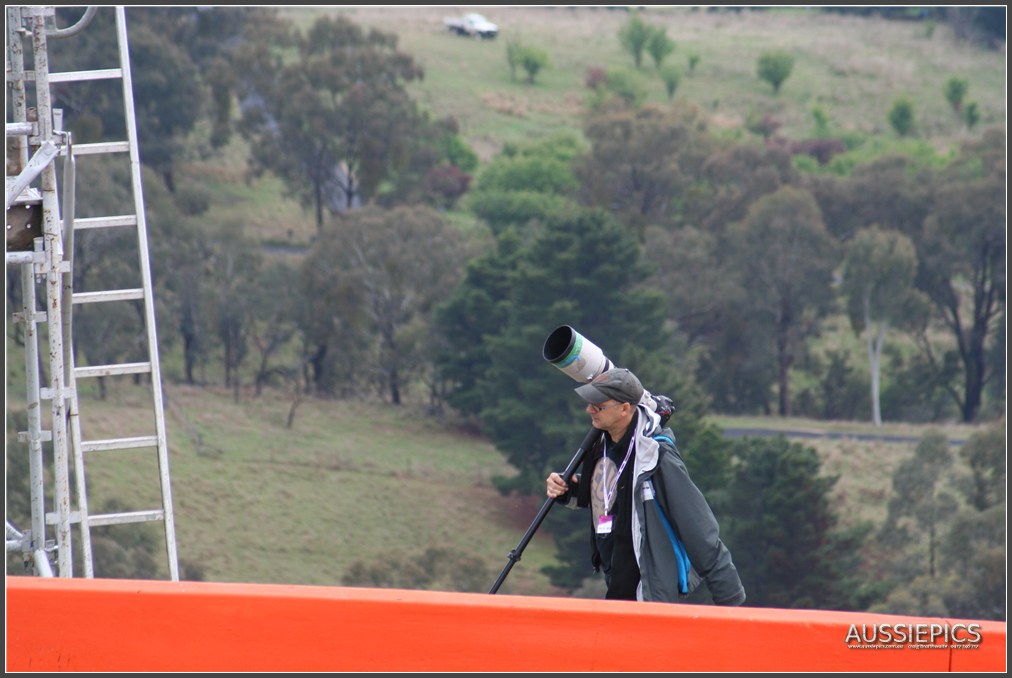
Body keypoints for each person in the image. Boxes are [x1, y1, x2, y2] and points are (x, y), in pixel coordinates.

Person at [546, 367, 745, 605]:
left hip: (650, 595)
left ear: (625, 408)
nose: (589, 410)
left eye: (599, 406)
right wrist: (567, 490)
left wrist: (730, 599)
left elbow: (698, 527)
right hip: (617, 586)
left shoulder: (657, 457)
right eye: (590, 403)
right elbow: (606, 499)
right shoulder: (603, 445)